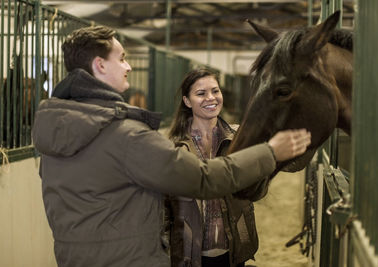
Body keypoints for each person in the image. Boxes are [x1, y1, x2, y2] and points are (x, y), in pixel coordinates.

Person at [32, 25, 311, 267]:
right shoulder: (126, 136)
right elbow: (202, 178)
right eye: (122, 59)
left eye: (215, 91)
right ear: (100, 65)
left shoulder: (58, 131)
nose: (128, 66)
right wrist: (270, 152)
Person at [167, 69, 258, 267]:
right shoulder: (174, 147)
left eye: (215, 91)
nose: (211, 98)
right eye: (201, 93)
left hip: (234, 251)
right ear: (187, 101)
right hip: (191, 255)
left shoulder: (239, 138)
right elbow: (164, 207)